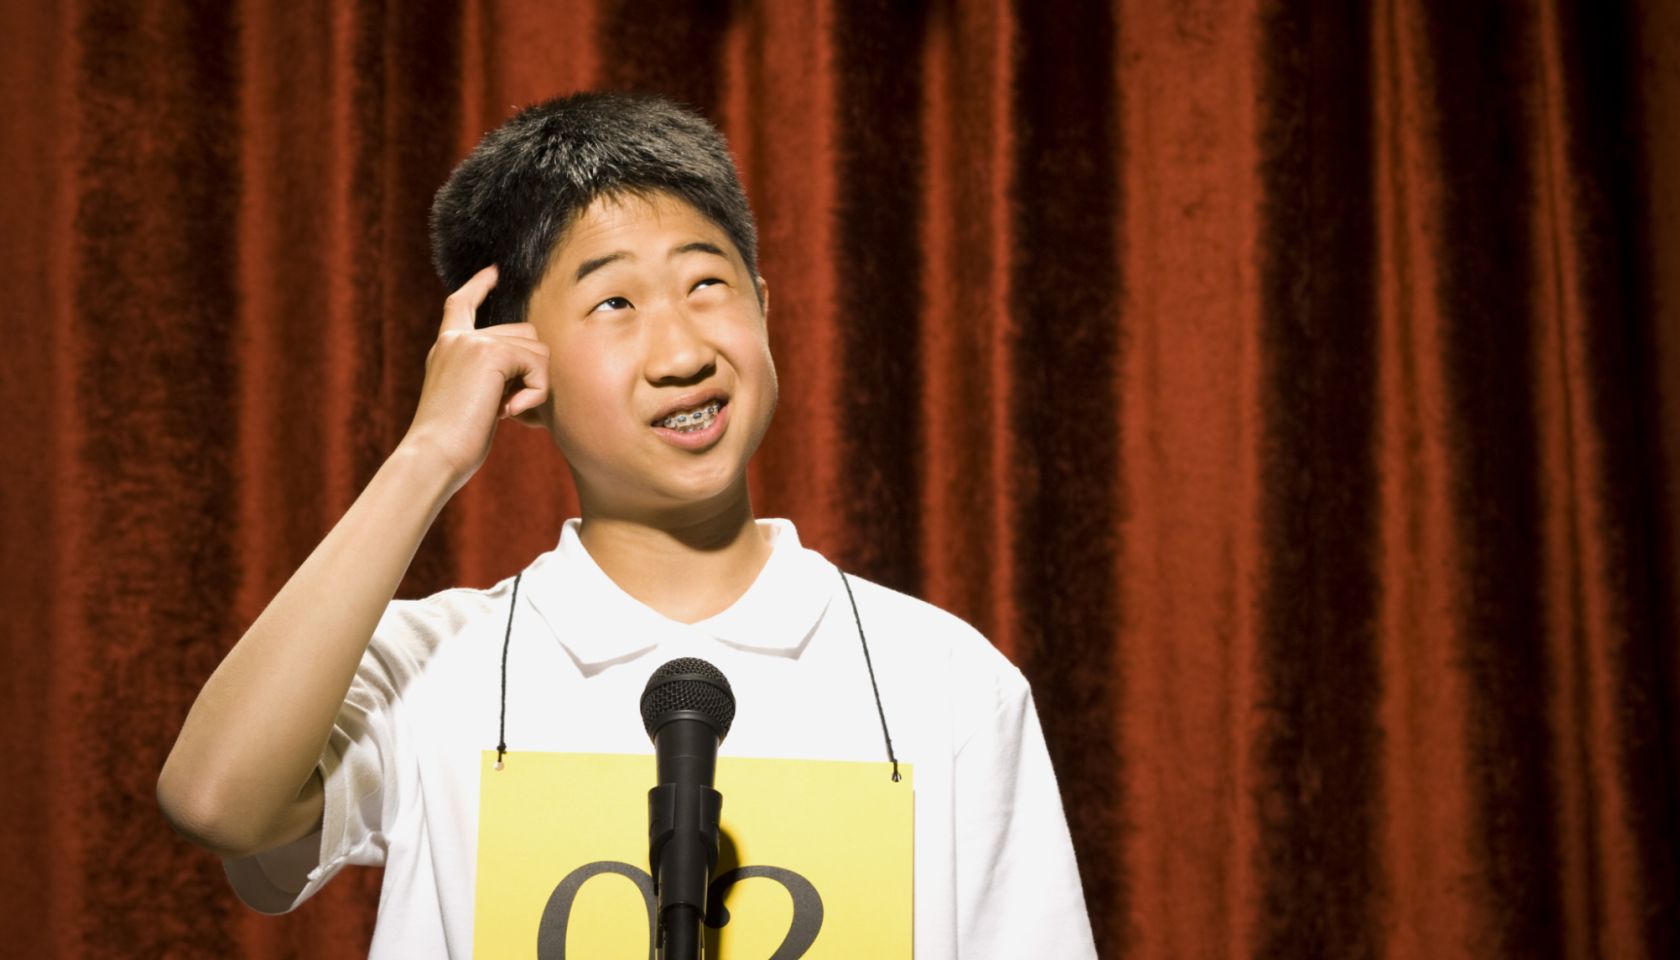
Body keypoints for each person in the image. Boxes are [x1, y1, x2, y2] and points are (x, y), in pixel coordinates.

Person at [158, 91, 1095, 958]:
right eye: (614, 303)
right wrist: (428, 456)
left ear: (765, 308)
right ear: (515, 365)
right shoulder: (433, 664)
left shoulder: (945, 678)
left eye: (707, 285)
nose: (683, 350)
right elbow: (215, 802)